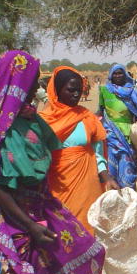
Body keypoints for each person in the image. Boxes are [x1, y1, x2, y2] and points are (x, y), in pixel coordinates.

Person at [0, 50, 105, 274]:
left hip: (43, 202)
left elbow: (54, 150)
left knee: (89, 250)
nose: (35, 89)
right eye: (30, 83)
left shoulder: (31, 118)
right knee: (29, 273)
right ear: (14, 83)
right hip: (13, 213)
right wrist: (30, 225)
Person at [40, 66, 118, 233]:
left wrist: (107, 177)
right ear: (57, 90)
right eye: (70, 90)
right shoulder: (43, 121)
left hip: (87, 186)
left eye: (79, 90)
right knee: (63, 232)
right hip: (57, 187)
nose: (76, 94)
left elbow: (98, 154)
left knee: (88, 231)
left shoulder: (87, 117)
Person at [98, 63, 137, 188]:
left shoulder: (132, 91)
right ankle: (115, 202)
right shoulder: (105, 90)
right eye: (115, 73)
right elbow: (100, 110)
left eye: (120, 73)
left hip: (128, 135)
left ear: (125, 74)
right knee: (111, 170)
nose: (117, 75)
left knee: (128, 170)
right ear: (111, 75)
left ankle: (129, 200)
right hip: (109, 135)